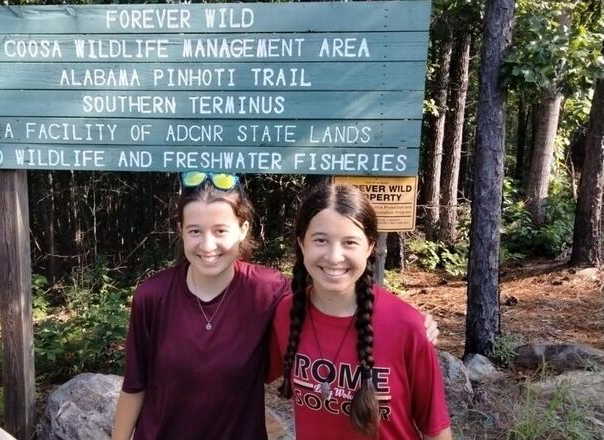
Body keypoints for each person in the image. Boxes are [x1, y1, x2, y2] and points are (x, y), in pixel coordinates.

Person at [112, 172, 439, 440]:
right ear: (180, 231)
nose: (208, 244)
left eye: (220, 230)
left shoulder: (268, 292)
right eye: (195, 231)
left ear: (243, 229)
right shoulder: (153, 296)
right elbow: (134, 386)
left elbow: (332, 286)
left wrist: (411, 322)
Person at [269, 183, 452, 440]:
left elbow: (436, 431)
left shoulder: (407, 326)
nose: (334, 257)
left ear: (369, 247)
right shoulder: (286, 314)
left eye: (350, 242)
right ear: (302, 244)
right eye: (320, 240)